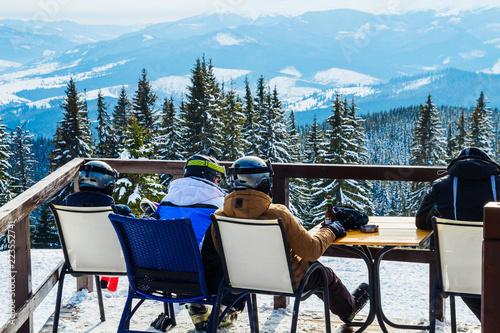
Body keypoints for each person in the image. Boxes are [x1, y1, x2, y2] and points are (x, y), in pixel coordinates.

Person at [213, 155, 369, 323]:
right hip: (285, 281)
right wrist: (331, 229)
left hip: (242, 280)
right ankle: (349, 309)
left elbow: (221, 251)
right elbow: (311, 251)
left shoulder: (220, 216)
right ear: (265, 184)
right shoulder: (278, 214)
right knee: (324, 274)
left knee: (313, 269)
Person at [152, 152, 242, 331]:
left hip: (162, 278)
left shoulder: (164, 203)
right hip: (202, 282)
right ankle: (225, 311)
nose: (218, 183)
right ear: (210, 178)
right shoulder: (220, 206)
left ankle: (201, 310)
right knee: (236, 263)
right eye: (217, 179)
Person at [415, 147, 500, 321]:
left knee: (471, 284)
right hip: (496, 268)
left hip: (459, 274)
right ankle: (492, 323)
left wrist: (442, 213)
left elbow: (422, 221)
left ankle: (490, 323)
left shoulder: (442, 186)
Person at [64, 160, 134, 291]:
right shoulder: (119, 212)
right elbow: (137, 236)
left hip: (78, 263)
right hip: (114, 264)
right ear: (109, 184)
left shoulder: (68, 210)